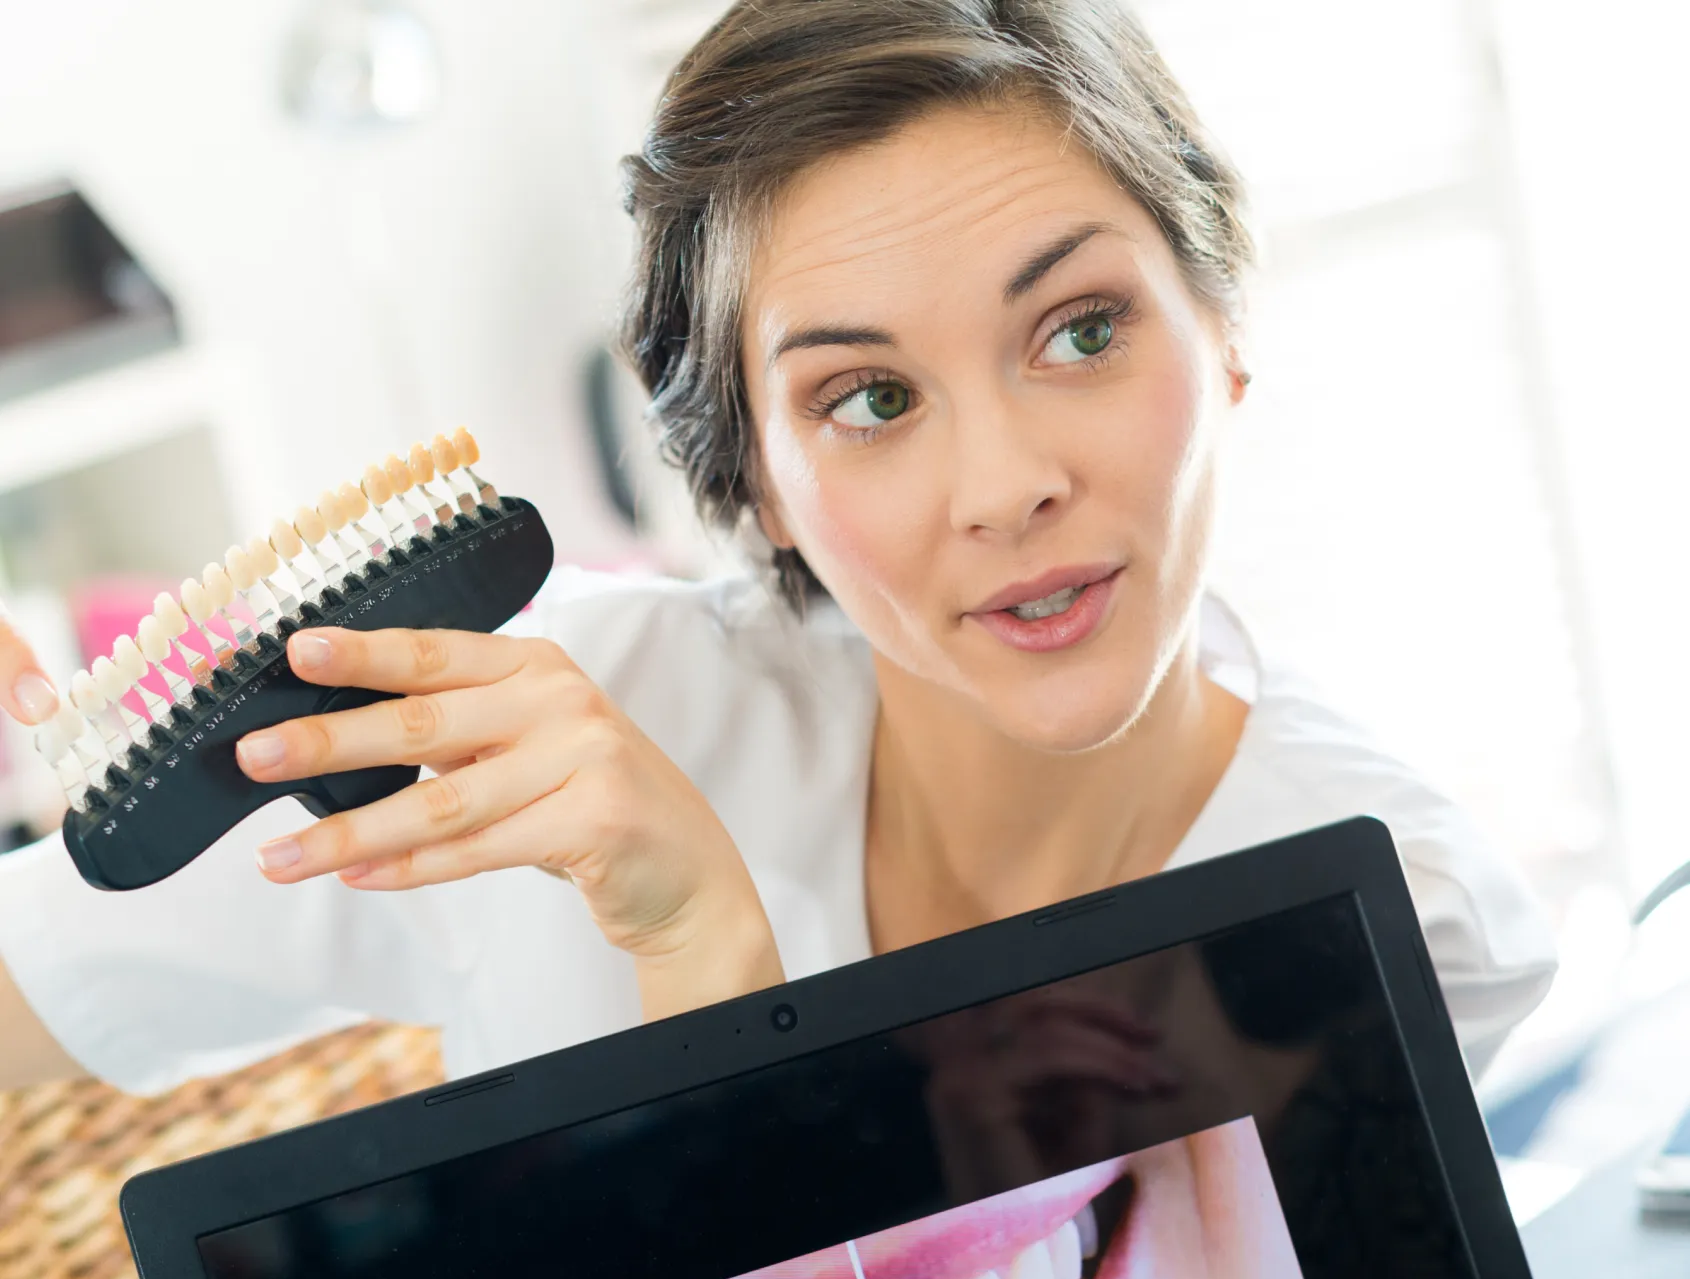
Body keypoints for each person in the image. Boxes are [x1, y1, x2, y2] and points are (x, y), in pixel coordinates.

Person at [0, 0, 1554, 1101]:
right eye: (868, 399)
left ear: (1224, 326)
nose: (1005, 487)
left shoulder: (1389, 907)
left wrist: (707, 956)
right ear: (750, 481)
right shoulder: (537, 731)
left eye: (1080, 330)